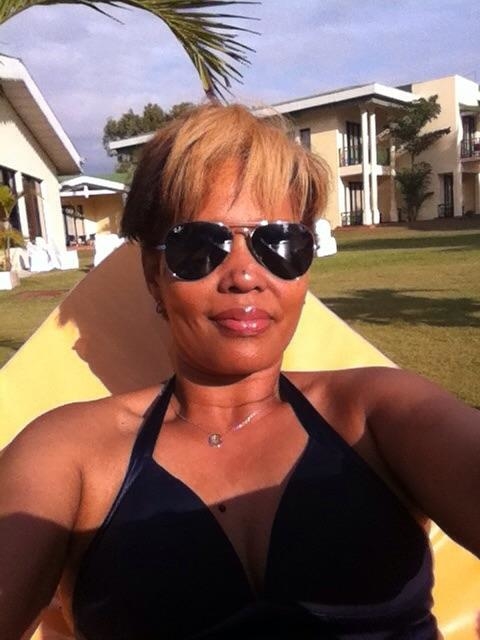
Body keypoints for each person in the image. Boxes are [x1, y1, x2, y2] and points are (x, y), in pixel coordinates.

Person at [0, 103, 479, 640]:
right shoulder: (69, 452)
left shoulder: (378, 414)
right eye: (200, 245)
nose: (245, 275)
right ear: (154, 274)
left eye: (280, 242)